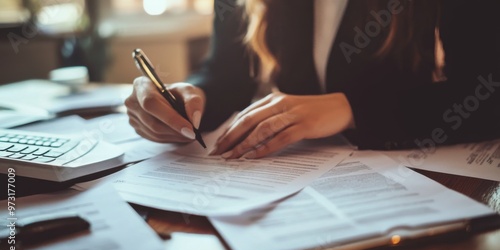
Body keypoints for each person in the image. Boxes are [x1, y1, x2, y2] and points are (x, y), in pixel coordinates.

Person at [125, 0, 500, 159]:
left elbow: (486, 91)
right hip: (300, 182)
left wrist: (352, 108)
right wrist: (192, 97)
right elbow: (225, 71)